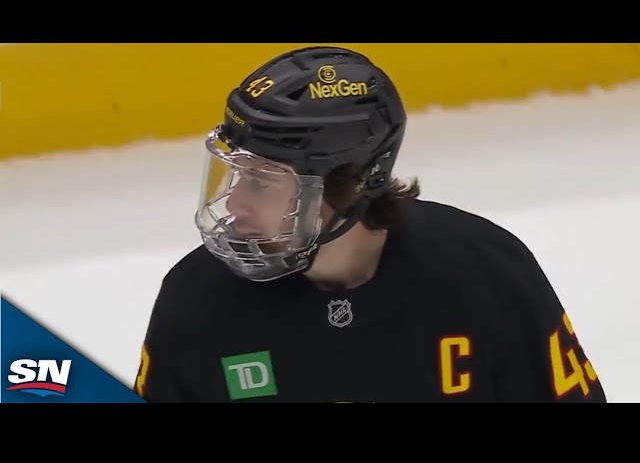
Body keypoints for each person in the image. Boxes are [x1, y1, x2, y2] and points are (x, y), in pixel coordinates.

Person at [133, 45, 606, 403]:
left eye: (261, 183)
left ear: (348, 183)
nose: (233, 204)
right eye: (234, 174)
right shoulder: (195, 302)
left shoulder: (486, 276)